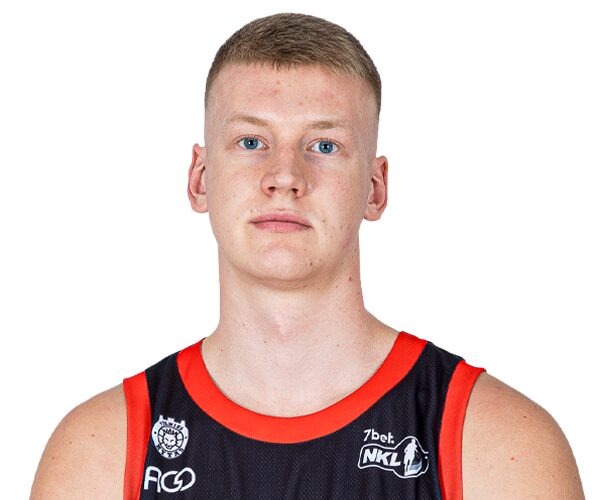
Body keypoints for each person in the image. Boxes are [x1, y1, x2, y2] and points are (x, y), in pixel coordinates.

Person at [30, 12, 585, 499]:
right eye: (251, 142)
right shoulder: (101, 453)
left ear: (375, 188)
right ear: (200, 179)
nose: (285, 177)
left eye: (324, 146)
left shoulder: (494, 444)